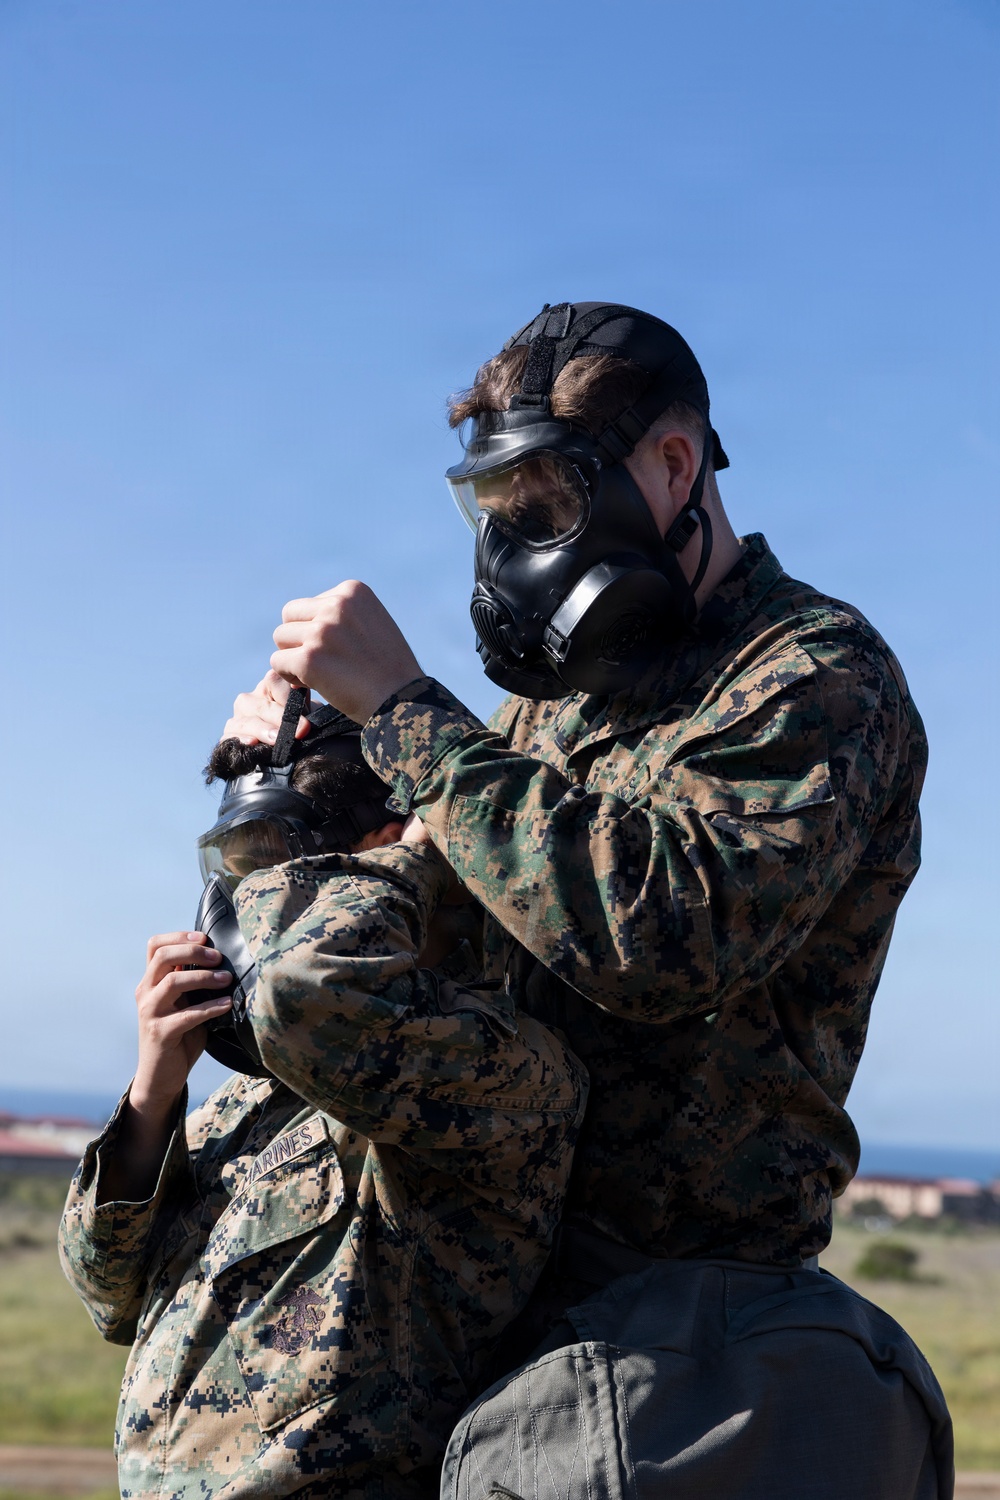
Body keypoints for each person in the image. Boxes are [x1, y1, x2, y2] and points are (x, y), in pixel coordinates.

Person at [223, 302, 952, 1496]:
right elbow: (414, 948)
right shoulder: (547, 716)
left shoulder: (813, 672)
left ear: (674, 466)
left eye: (550, 506)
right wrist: (292, 800)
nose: (523, 555)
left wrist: (406, 711)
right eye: (500, 518)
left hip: (676, 1344)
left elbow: (665, 937)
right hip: (486, 1282)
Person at [58, 711, 587, 1500]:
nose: (251, 903)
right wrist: (153, 1093)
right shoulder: (255, 1095)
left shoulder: (506, 1071)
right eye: (242, 867)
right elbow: (107, 1292)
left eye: (283, 869)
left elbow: (313, 988)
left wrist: (423, 850)